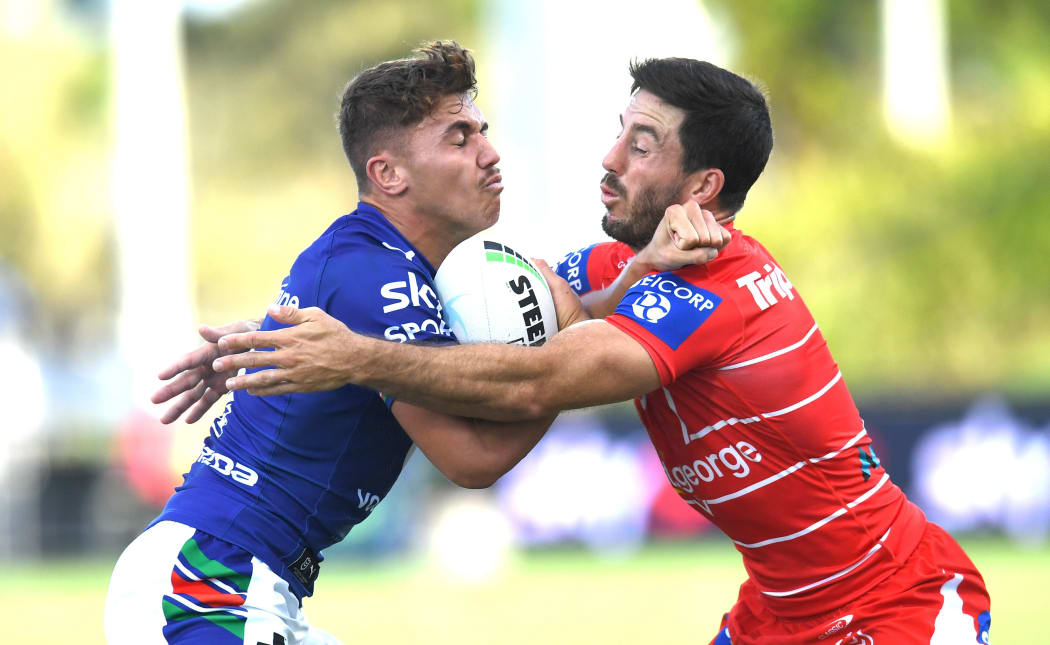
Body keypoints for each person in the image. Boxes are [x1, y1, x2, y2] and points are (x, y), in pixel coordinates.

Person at [196, 58, 993, 644]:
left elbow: (534, 371)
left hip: (897, 600)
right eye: (620, 132)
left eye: (641, 144)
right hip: (778, 613)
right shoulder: (625, 266)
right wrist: (281, 321)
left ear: (702, 188)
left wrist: (357, 357)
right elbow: (509, 297)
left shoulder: (718, 287)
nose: (611, 159)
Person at [105, 41, 728, 645]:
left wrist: (645, 265)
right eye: (460, 138)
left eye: (482, 131)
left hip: (248, 579)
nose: (490, 154)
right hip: (210, 582)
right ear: (389, 173)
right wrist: (569, 350)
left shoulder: (404, 268)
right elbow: (473, 456)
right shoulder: (374, 276)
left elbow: (566, 326)